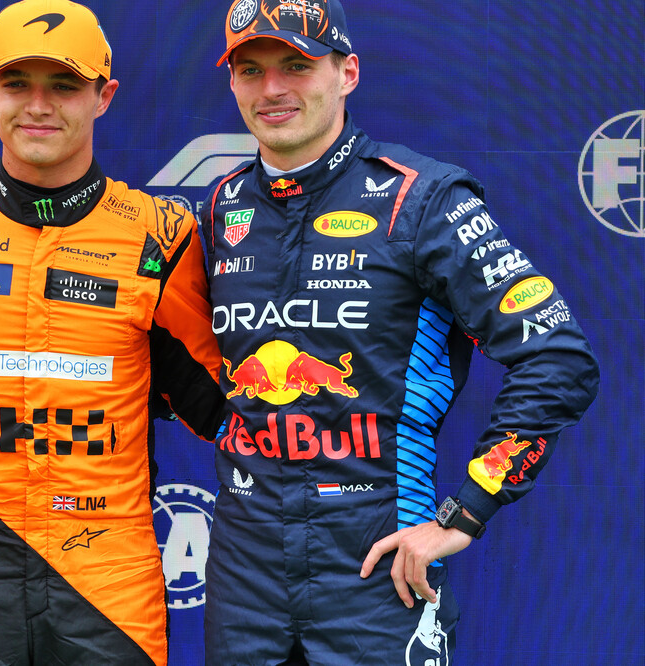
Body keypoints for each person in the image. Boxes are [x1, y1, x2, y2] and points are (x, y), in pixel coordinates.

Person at [200, 1, 599, 664]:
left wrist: (464, 513)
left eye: (296, 65)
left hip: (379, 568)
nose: (272, 89)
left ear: (347, 72)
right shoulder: (221, 206)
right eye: (251, 69)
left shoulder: (425, 198)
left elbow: (557, 358)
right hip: (245, 575)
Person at [0, 0, 225, 663]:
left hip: (109, 580)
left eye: (64, 85)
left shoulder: (159, 233)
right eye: (17, 84)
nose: (38, 105)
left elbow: (207, 396)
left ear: (105, 96)